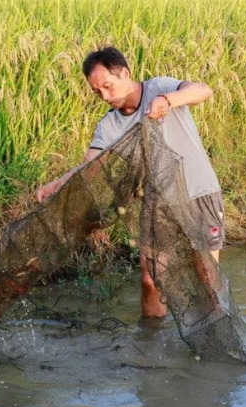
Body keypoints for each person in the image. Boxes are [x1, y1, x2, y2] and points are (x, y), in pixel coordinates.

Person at [35, 47, 224, 318]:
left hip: (198, 193)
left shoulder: (158, 87)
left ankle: (214, 338)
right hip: (157, 204)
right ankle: (150, 343)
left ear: (125, 73)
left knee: (206, 277)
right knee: (151, 281)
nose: (105, 96)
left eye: (108, 86)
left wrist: (168, 100)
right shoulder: (109, 125)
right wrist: (56, 185)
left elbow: (203, 90)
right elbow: (89, 166)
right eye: (97, 92)